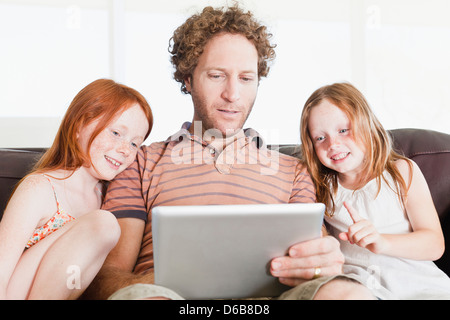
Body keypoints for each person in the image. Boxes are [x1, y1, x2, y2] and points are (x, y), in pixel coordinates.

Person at [83, 5, 374, 300]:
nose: (232, 95)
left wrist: (321, 260)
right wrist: (158, 281)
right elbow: (107, 275)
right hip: (167, 296)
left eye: (246, 79)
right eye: (217, 76)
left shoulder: (295, 171)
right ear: (188, 79)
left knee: (346, 294)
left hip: (268, 300)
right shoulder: (140, 162)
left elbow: (315, 260)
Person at [0, 79, 153, 300]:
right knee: (103, 223)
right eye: (117, 133)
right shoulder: (40, 187)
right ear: (79, 126)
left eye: (134, 143)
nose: (125, 150)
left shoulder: (111, 196)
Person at [300, 82, 450, 299]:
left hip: (419, 285)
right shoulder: (321, 186)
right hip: (363, 287)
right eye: (320, 138)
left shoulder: (402, 172)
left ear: (366, 126)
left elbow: (434, 244)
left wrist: (382, 241)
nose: (332, 144)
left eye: (343, 130)